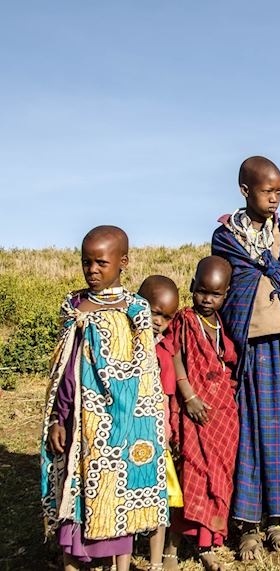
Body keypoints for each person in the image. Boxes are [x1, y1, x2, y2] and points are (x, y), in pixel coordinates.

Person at [41, 226, 168, 571]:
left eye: (101, 262)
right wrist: (58, 416)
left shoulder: (135, 309)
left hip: (121, 424)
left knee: (118, 496)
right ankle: (71, 562)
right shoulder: (73, 305)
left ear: (122, 262)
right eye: (86, 262)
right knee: (75, 489)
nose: (92, 270)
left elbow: (145, 374)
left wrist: (144, 422)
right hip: (76, 421)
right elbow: (64, 369)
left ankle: (120, 566)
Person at [211, 156, 280, 557]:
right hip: (245, 349)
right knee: (247, 433)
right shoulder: (225, 238)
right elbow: (230, 289)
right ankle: (248, 524)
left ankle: (278, 519)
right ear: (245, 191)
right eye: (268, 191)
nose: (275, 199)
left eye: (279, 191)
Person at [158, 257, 238, 570]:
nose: (207, 299)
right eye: (202, 291)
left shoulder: (220, 322)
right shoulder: (184, 320)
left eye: (215, 294)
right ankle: (171, 550)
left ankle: (207, 545)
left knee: (217, 477)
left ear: (226, 294)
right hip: (193, 408)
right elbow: (174, 354)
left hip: (222, 414)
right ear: (192, 287)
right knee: (188, 474)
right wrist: (188, 395)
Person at [138, 275, 183, 570]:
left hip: (160, 435)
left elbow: (172, 397)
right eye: (153, 312)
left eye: (165, 317)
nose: (158, 321)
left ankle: (157, 561)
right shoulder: (127, 346)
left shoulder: (167, 348)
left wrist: (172, 431)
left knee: (160, 500)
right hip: (132, 435)